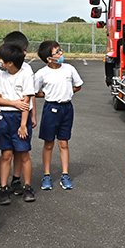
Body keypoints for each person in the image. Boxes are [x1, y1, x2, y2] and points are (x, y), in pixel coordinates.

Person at [0, 31, 36, 196]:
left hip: (20, 118)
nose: (0, 62)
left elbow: (26, 103)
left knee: (24, 153)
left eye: (2, 60)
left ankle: (27, 186)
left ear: (10, 62)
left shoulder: (26, 74)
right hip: (6, 117)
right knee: (6, 153)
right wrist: (13, 103)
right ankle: (3, 187)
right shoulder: (0, 76)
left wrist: (24, 124)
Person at [34, 40, 82, 190]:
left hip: (67, 108)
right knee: (49, 143)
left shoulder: (69, 69)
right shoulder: (41, 73)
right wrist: (50, 94)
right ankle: (46, 175)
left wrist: (67, 92)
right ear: (49, 58)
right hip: (51, 109)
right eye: (57, 52)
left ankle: (65, 174)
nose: (61, 54)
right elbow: (35, 92)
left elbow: (78, 85)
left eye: (60, 50)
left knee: (64, 143)